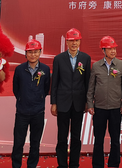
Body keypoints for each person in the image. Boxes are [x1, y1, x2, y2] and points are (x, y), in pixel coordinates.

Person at [51, 28, 91, 168]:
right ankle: (62, 164)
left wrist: (87, 102)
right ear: (67, 42)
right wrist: (54, 102)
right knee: (62, 137)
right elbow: (54, 82)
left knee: (76, 136)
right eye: (71, 41)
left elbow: (87, 82)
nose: (74, 43)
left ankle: (74, 164)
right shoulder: (59, 59)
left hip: (79, 103)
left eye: (77, 40)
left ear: (80, 41)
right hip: (62, 103)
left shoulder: (86, 58)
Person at [87, 36, 122, 168]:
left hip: (116, 108)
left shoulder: (121, 65)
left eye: (114, 48)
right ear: (103, 50)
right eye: (110, 49)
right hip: (99, 108)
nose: (113, 51)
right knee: (98, 139)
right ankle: (97, 164)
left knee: (115, 139)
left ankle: (114, 164)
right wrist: (90, 104)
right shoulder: (96, 66)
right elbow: (91, 87)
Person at [11, 39, 50, 168]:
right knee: (18, 143)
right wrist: (22, 99)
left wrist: (38, 98)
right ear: (25, 53)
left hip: (38, 112)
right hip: (22, 112)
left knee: (35, 143)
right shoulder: (19, 69)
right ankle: (16, 165)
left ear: (40, 52)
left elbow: (46, 89)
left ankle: (32, 165)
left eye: (36, 52)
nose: (33, 55)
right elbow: (16, 89)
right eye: (30, 52)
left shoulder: (45, 69)